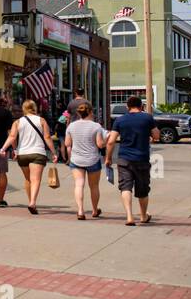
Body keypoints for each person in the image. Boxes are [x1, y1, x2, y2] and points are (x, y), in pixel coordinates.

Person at [106, 95, 159, 226]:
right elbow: (157, 135)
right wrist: (150, 136)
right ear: (141, 106)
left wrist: (108, 158)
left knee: (125, 187)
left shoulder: (120, 120)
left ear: (127, 107)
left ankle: (129, 216)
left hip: (124, 159)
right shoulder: (147, 118)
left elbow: (111, 141)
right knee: (142, 190)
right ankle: (143, 216)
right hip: (142, 158)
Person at [0, 98, 56, 214]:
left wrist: (3, 148)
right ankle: (32, 202)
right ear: (34, 108)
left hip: (23, 154)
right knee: (35, 179)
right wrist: (54, 152)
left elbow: (12, 137)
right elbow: (47, 137)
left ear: (24, 109)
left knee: (28, 179)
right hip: (37, 153)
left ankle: (30, 200)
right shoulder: (41, 120)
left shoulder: (18, 122)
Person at [64, 101, 107, 220]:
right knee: (94, 186)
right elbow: (100, 144)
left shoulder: (71, 126)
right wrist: (106, 141)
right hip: (92, 159)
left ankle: (80, 210)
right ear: (90, 112)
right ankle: (94, 210)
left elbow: (67, 143)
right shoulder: (96, 126)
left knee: (79, 184)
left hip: (76, 159)